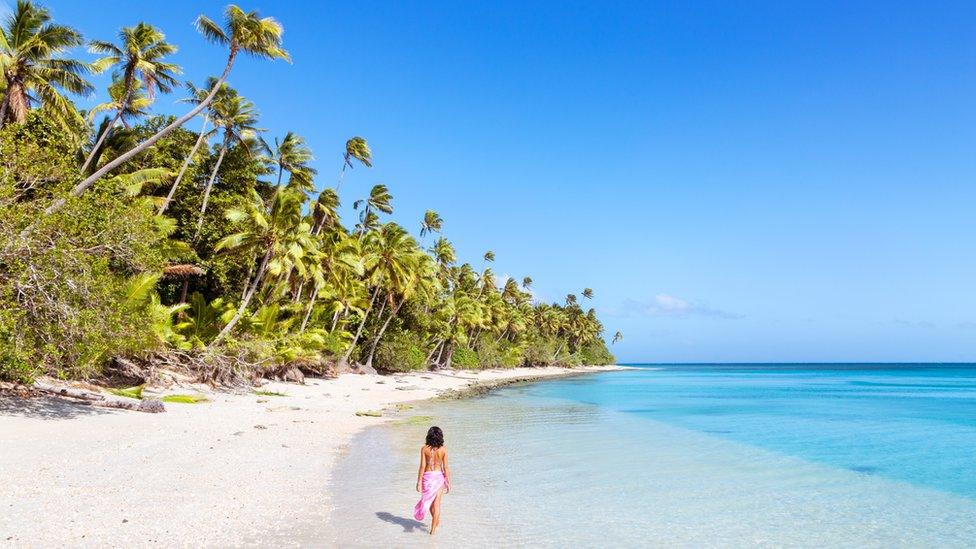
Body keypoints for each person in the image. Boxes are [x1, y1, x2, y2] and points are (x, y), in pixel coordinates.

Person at [413, 426, 451, 534]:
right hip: (439, 478)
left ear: (429, 435)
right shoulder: (443, 450)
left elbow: (422, 466)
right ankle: (434, 529)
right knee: (437, 505)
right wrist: (448, 482)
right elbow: (446, 468)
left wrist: (419, 482)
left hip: (427, 478)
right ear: (440, 436)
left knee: (429, 504)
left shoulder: (424, 449)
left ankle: (434, 527)